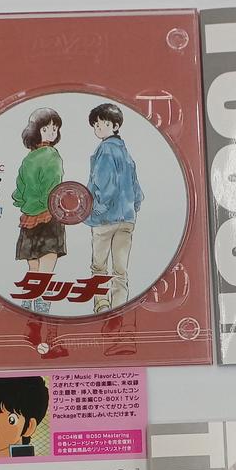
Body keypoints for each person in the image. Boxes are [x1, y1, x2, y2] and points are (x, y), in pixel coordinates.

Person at [84, 102, 144, 313]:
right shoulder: (126, 153)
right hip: (127, 218)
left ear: (115, 126)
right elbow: (137, 189)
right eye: (96, 124)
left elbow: (105, 182)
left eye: (104, 123)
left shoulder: (105, 150)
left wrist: (99, 206)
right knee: (120, 268)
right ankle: (119, 306)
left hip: (104, 219)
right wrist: (133, 207)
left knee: (99, 266)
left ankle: (101, 304)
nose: (98, 127)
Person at [11, 107, 66, 312]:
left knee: (33, 266)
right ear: (36, 131)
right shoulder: (52, 155)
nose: (52, 132)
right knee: (47, 264)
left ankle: (28, 301)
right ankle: (42, 305)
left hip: (28, 217)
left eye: (55, 128)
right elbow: (54, 185)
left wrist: (25, 203)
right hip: (48, 216)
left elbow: (19, 190)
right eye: (46, 128)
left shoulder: (28, 158)